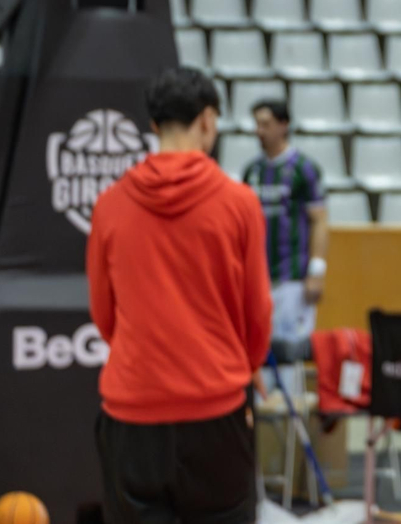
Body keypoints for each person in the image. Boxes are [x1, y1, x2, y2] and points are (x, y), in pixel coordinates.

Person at [87, 66, 272, 524]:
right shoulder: (240, 203)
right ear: (207, 120)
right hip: (216, 409)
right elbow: (257, 311)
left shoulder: (109, 204)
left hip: (132, 411)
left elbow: (104, 314)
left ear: (154, 124)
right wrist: (246, 364)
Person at [243, 99, 329, 345]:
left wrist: (316, 273)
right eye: (257, 124)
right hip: (259, 278)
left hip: (294, 279)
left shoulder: (304, 169)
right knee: (259, 349)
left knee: (292, 352)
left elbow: (319, 221)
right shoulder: (252, 171)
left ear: (284, 125)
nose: (259, 131)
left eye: (266, 124)